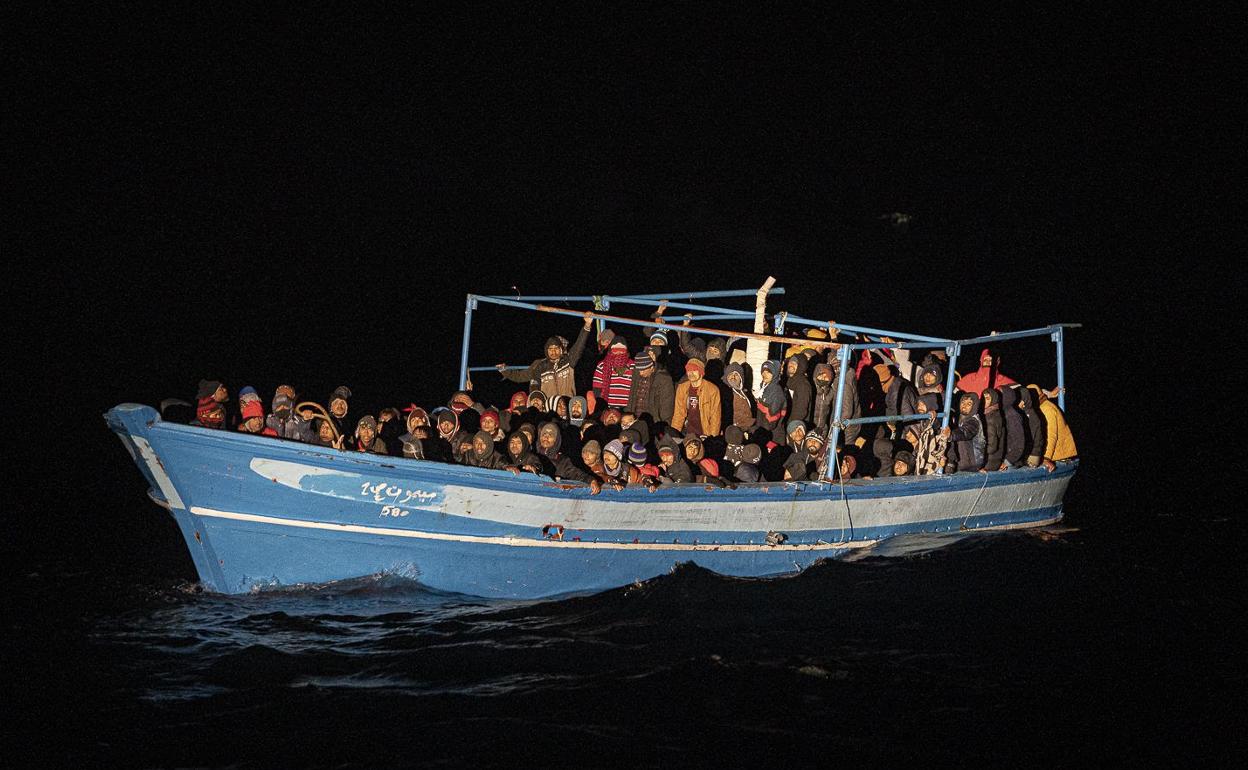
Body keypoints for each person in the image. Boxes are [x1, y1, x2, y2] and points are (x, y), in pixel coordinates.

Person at [498, 313, 595, 400]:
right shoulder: (539, 366)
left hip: (567, 405)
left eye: (556, 348)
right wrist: (505, 371)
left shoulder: (569, 361)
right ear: (546, 351)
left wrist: (587, 325)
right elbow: (521, 376)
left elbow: (578, 346)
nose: (553, 352)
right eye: (550, 349)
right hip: (549, 409)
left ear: (561, 350)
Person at [671, 358, 722, 437]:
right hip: (688, 433)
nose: (691, 373)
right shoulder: (682, 388)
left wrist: (712, 438)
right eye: (688, 370)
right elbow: (678, 414)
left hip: (705, 433)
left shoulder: (712, 390)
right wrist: (673, 435)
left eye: (694, 370)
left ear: (701, 372)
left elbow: (715, 418)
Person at [626, 350, 675, 426]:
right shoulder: (636, 374)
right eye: (639, 370)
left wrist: (663, 425)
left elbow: (667, 406)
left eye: (643, 370)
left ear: (651, 367)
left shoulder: (664, 379)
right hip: (635, 420)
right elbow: (631, 397)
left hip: (654, 422)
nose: (640, 373)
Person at [1031, 384, 1077, 464]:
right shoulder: (1039, 407)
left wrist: (1046, 458)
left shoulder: (1047, 410)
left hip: (1059, 454)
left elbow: (1052, 435)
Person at [943, 392, 986, 472]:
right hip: (964, 460)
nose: (964, 406)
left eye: (969, 404)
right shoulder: (960, 418)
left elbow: (965, 432)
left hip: (971, 462)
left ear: (974, 406)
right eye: (963, 402)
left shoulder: (973, 421)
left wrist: (951, 434)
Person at [592, 334, 634, 410]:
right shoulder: (602, 365)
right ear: (611, 350)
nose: (618, 353)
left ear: (626, 350)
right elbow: (597, 388)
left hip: (627, 408)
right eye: (615, 350)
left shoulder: (633, 365)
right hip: (608, 407)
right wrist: (601, 406)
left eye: (621, 350)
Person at [911, 394, 948, 475]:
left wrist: (933, 416)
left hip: (933, 455)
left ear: (930, 405)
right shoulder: (922, 419)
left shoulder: (936, 419)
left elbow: (936, 425)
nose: (919, 407)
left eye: (923, 404)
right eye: (918, 405)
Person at [1015, 386, 1049, 469]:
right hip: (1028, 452)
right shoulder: (1025, 412)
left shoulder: (1031, 416)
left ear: (1023, 401)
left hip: (1032, 455)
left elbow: (1031, 440)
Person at [999, 385, 1028, 469]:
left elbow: (1019, 442)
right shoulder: (1003, 412)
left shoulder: (1012, 415)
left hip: (1011, 462)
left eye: (1000, 394)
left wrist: (1008, 461)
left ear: (1006, 397)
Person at [755, 360, 787, 432]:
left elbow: (771, 422)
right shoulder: (764, 387)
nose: (764, 374)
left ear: (775, 373)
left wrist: (761, 433)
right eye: (763, 371)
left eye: (768, 372)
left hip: (772, 434)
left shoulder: (776, 392)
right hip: (762, 429)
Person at [723, 363, 755, 432]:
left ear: (741, 378)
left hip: (749, 428)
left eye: (736, 374)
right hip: (735, 430)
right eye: (730, 374)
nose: (733, 377)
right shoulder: (725, 394)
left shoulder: (746, 393)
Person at [981, 388, 1007, 471]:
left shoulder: (990, 418)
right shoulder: (996, 413)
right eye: (983, 398)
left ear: (994, 399)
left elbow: (992, 446)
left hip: (989, 462)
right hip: (995, 459)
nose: (984, 401)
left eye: (987, 398)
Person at [784, 355, 814, 425]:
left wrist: (791, 425)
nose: (791, 365)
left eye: (795, 363)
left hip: (795, 425)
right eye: (791, 362)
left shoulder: (803, 384)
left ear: (801, 366)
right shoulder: (789, 380)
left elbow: (801, 411)